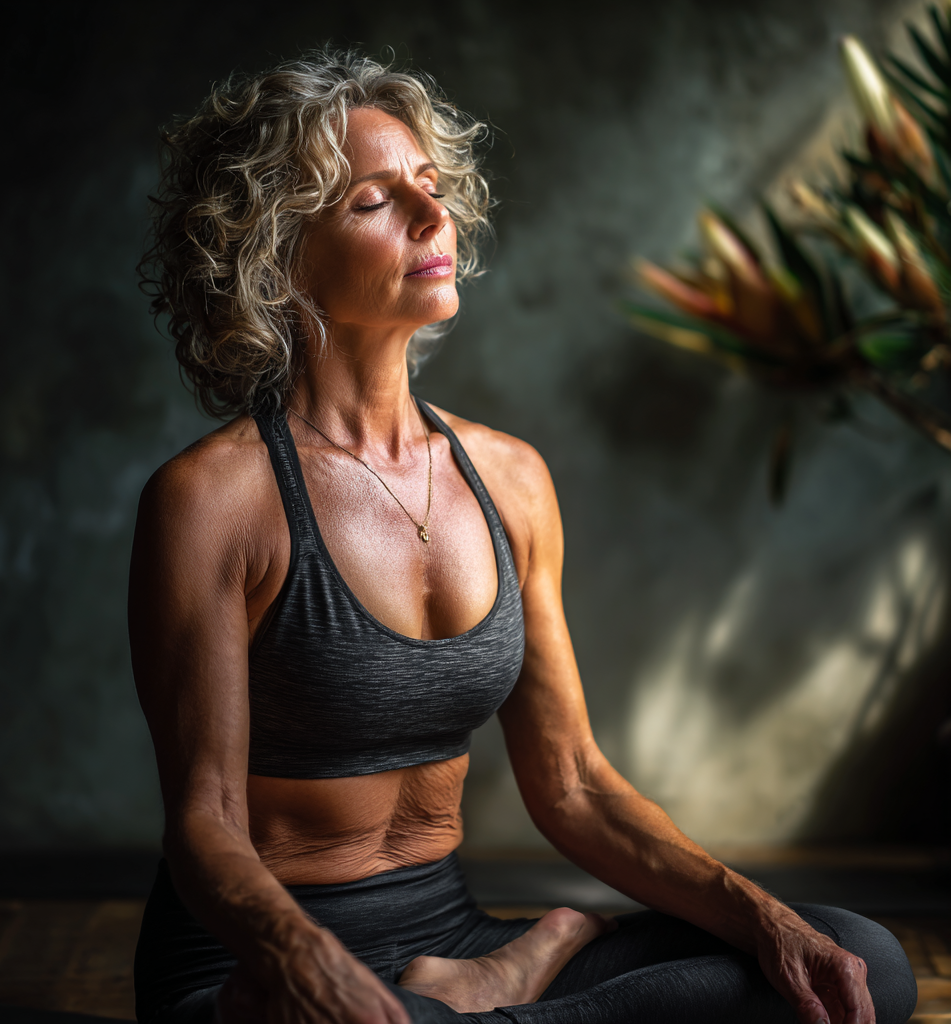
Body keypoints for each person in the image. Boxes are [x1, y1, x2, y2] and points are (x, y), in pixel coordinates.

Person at [129, 49, 917, 1024]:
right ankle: (507, 985)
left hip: (447, 938)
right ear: (278, 252)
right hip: (250, 971)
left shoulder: (507, 479)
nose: (432, 217)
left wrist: (763, 920)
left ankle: (493, 993)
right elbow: (205, 821)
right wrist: (304, 957)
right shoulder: (213, 498)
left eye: (430, 185)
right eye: (374, 200)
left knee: (855, 961)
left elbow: (574, 783)